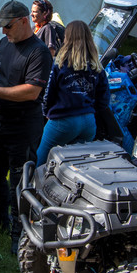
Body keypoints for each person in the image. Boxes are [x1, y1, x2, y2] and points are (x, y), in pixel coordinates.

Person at [0, 0, 53, 251]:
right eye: (1, 27)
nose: (4, 31)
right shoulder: (5, 44)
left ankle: (19, 234)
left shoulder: (39, 52)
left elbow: (32, 91)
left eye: (8, 26)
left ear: (23, 21)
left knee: (20, 182)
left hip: (23, 125)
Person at [36, 21, 110, 166]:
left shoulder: (60, 64)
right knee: (75, 166)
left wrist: (46, 112)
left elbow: (48, 94)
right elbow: (104, 99)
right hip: (88, 122)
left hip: (63, 120)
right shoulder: (96, 65)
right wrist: (90, 110)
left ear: (67, 38)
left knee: (40, 160)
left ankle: (31, 180)